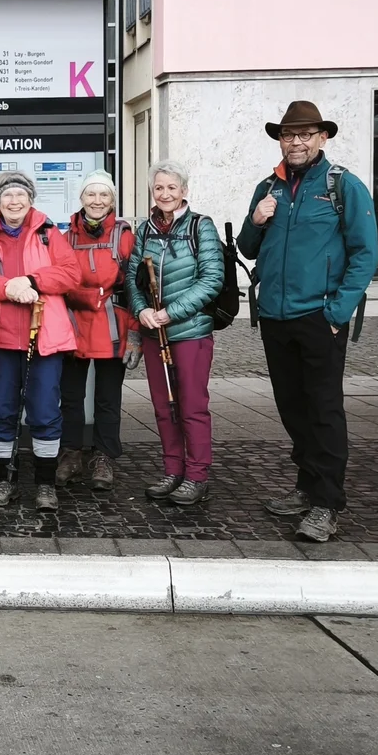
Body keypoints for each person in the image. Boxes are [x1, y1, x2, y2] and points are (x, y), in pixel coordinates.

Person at [236, 101, 378, 543]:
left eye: (305, 134)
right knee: (292, 407)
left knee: (323, 411)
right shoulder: (269, 186)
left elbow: (365, 254)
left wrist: (337, 312)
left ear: (322, 138)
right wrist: (255, 220)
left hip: (319, 318)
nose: (295, 142)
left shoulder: (342, 186)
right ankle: (306, 485)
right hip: (276, 318)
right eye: (287, 135)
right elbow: (247, 246)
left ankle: (325, 504)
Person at [0, 170, 80, 510]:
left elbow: (71, 273)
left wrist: (30, 280)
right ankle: (5, 480)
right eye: (7, 196)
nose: (14, 201)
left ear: (31, 199)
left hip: (43, 340)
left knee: (44, 412)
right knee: (1, 412)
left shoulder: (48, 234)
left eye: (20, 195)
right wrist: (5, 287)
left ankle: (44, 484)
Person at [124, 161, 224, 506]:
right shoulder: (145, 231)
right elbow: (133, 279)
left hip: (191, 332)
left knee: (192, 406)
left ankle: (196, 475)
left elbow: (212, 279)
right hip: (155, 334)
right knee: (164, 406)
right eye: (158, 188)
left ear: (184, 190)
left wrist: (170, 313)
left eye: (171, 187)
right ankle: (173, 469)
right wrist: (142, 311)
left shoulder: (201, 227)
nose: (165, 194)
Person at [57, 170, 138, 493]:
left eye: (104, 195)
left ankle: (104, 456)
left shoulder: (124, 236)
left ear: (112, 200)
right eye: (91, 194)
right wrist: (84, 296)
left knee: (108, 398)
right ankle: (71, 454)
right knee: (71, 397)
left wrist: (134, 336)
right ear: (81, 198)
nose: (97, 200)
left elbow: (136, 287)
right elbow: (59, 284)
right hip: (75, 327)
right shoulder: (67, 238)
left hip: (113, 328)